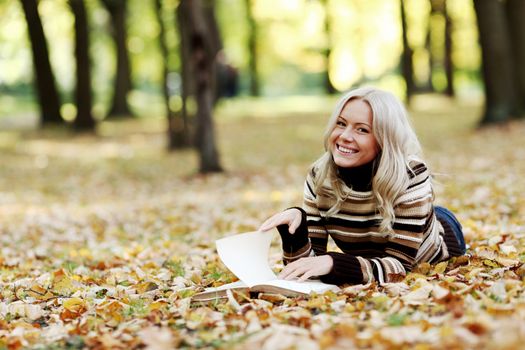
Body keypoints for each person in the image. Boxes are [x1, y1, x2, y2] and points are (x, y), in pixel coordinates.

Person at [259, 87, 466, 285]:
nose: (345, 136)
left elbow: (399, 267)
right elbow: (307, 268)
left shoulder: (411, 175)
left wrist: (334, 262)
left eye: (362, 129)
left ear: (384, 139)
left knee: (434, 219)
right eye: (341, 124)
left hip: (438, 240)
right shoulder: (320, 176)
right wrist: (295, 233)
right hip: (374, 250)